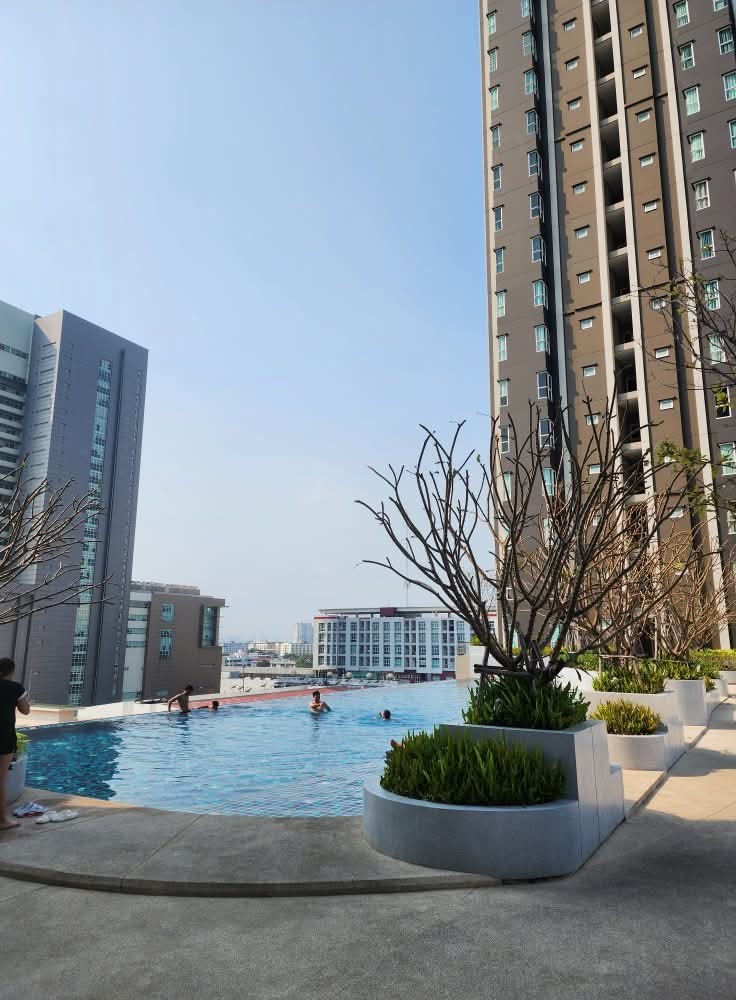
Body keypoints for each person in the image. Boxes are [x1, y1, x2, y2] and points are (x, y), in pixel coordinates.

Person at [0, 658, 31, 832]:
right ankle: (2, 820)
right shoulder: (15, 688)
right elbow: (25, 710)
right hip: (4, 737)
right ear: (11, 671)